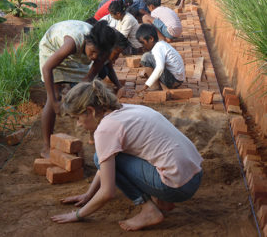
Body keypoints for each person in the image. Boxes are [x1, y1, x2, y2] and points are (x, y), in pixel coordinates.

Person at [51, 80, 203, 231]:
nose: (78, 124)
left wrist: (77, 215)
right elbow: (108, 163)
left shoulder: (105, 129)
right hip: (195, 175)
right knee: (111, 157)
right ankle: (163, 201)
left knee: (100, 157)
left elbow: (107, 192)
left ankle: (149, 210)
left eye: (77, 118)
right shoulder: (127, 109)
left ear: (90, 111)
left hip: (177, 187)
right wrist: (88, 194)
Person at [39, 20, 117, 158]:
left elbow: (91, 75)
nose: (94, 57)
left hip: (78, 55)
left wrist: (81, 87)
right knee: (53, 98)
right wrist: (54, 102)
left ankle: (95, 137)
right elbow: (47, 68)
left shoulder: (102, 50)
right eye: (92, 52)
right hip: (52, 48)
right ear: (87, 42)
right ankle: (46, 146)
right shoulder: (72, 43)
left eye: (98, 55)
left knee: (89, 97)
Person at [136, 24, 185, 91]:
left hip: (173, 81)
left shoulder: (157, 48)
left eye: (143, 43)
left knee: (146, 57)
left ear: (151, 39)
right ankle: (159, 83)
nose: (142, 45)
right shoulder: (161, 44)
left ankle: (155, 87)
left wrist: (147, 85)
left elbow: (160, 68)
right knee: (150, 55)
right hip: (178, 80)